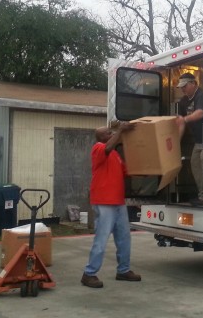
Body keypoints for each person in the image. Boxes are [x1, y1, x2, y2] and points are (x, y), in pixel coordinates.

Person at [81, 122, 141, 289]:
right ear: (102, 137)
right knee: (101, 238)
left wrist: (149, 168)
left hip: (118, 201)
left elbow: (126, 172)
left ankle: (123, 270)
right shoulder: (99, 148)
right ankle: (89, 274)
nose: (111, 133)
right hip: (104, 201)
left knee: (124, 238)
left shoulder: (114, 154)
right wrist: (121, 130)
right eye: (109, 132)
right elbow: (107, 148)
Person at [176, 72, 203, 205]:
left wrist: (185, 119)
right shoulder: (183, 101)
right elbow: (181, 123)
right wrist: (176, 142)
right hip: (197, 141)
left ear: (193, 84)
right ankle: (202, 195)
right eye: (181, 87)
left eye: (185, 86)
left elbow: (200, 113)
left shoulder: (201, 94)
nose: (182, 89)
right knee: (194, 165)